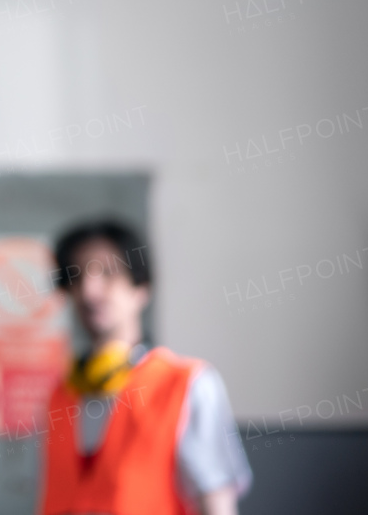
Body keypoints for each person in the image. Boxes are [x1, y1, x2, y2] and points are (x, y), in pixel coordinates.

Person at [39, 219, 252, 515]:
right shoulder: (62, 394)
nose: (90, 290)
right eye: (76, 277)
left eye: (108, 272)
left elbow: (217, 501)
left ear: (141, 289)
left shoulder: (186, 383)